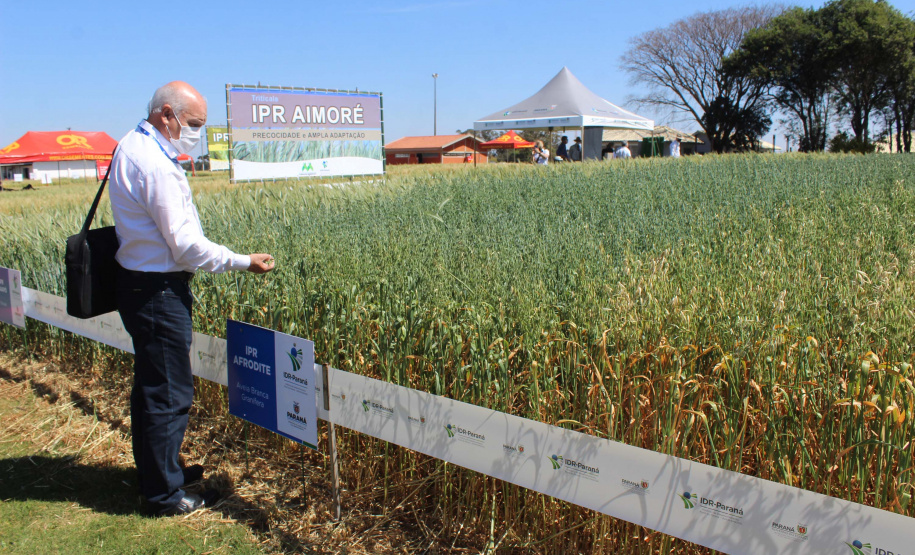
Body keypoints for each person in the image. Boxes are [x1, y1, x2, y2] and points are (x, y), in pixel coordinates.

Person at [109, 81, 276, 516]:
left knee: (151, 386)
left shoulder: (132, 145)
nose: (197, 133)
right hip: (157, 291)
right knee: (169, 392)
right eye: (195, 124)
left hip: (137, 285)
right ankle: (164, 496)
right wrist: (242, 261)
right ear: (168, 114)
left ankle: (157, 473)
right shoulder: (156, 165)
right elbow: (185, 246)